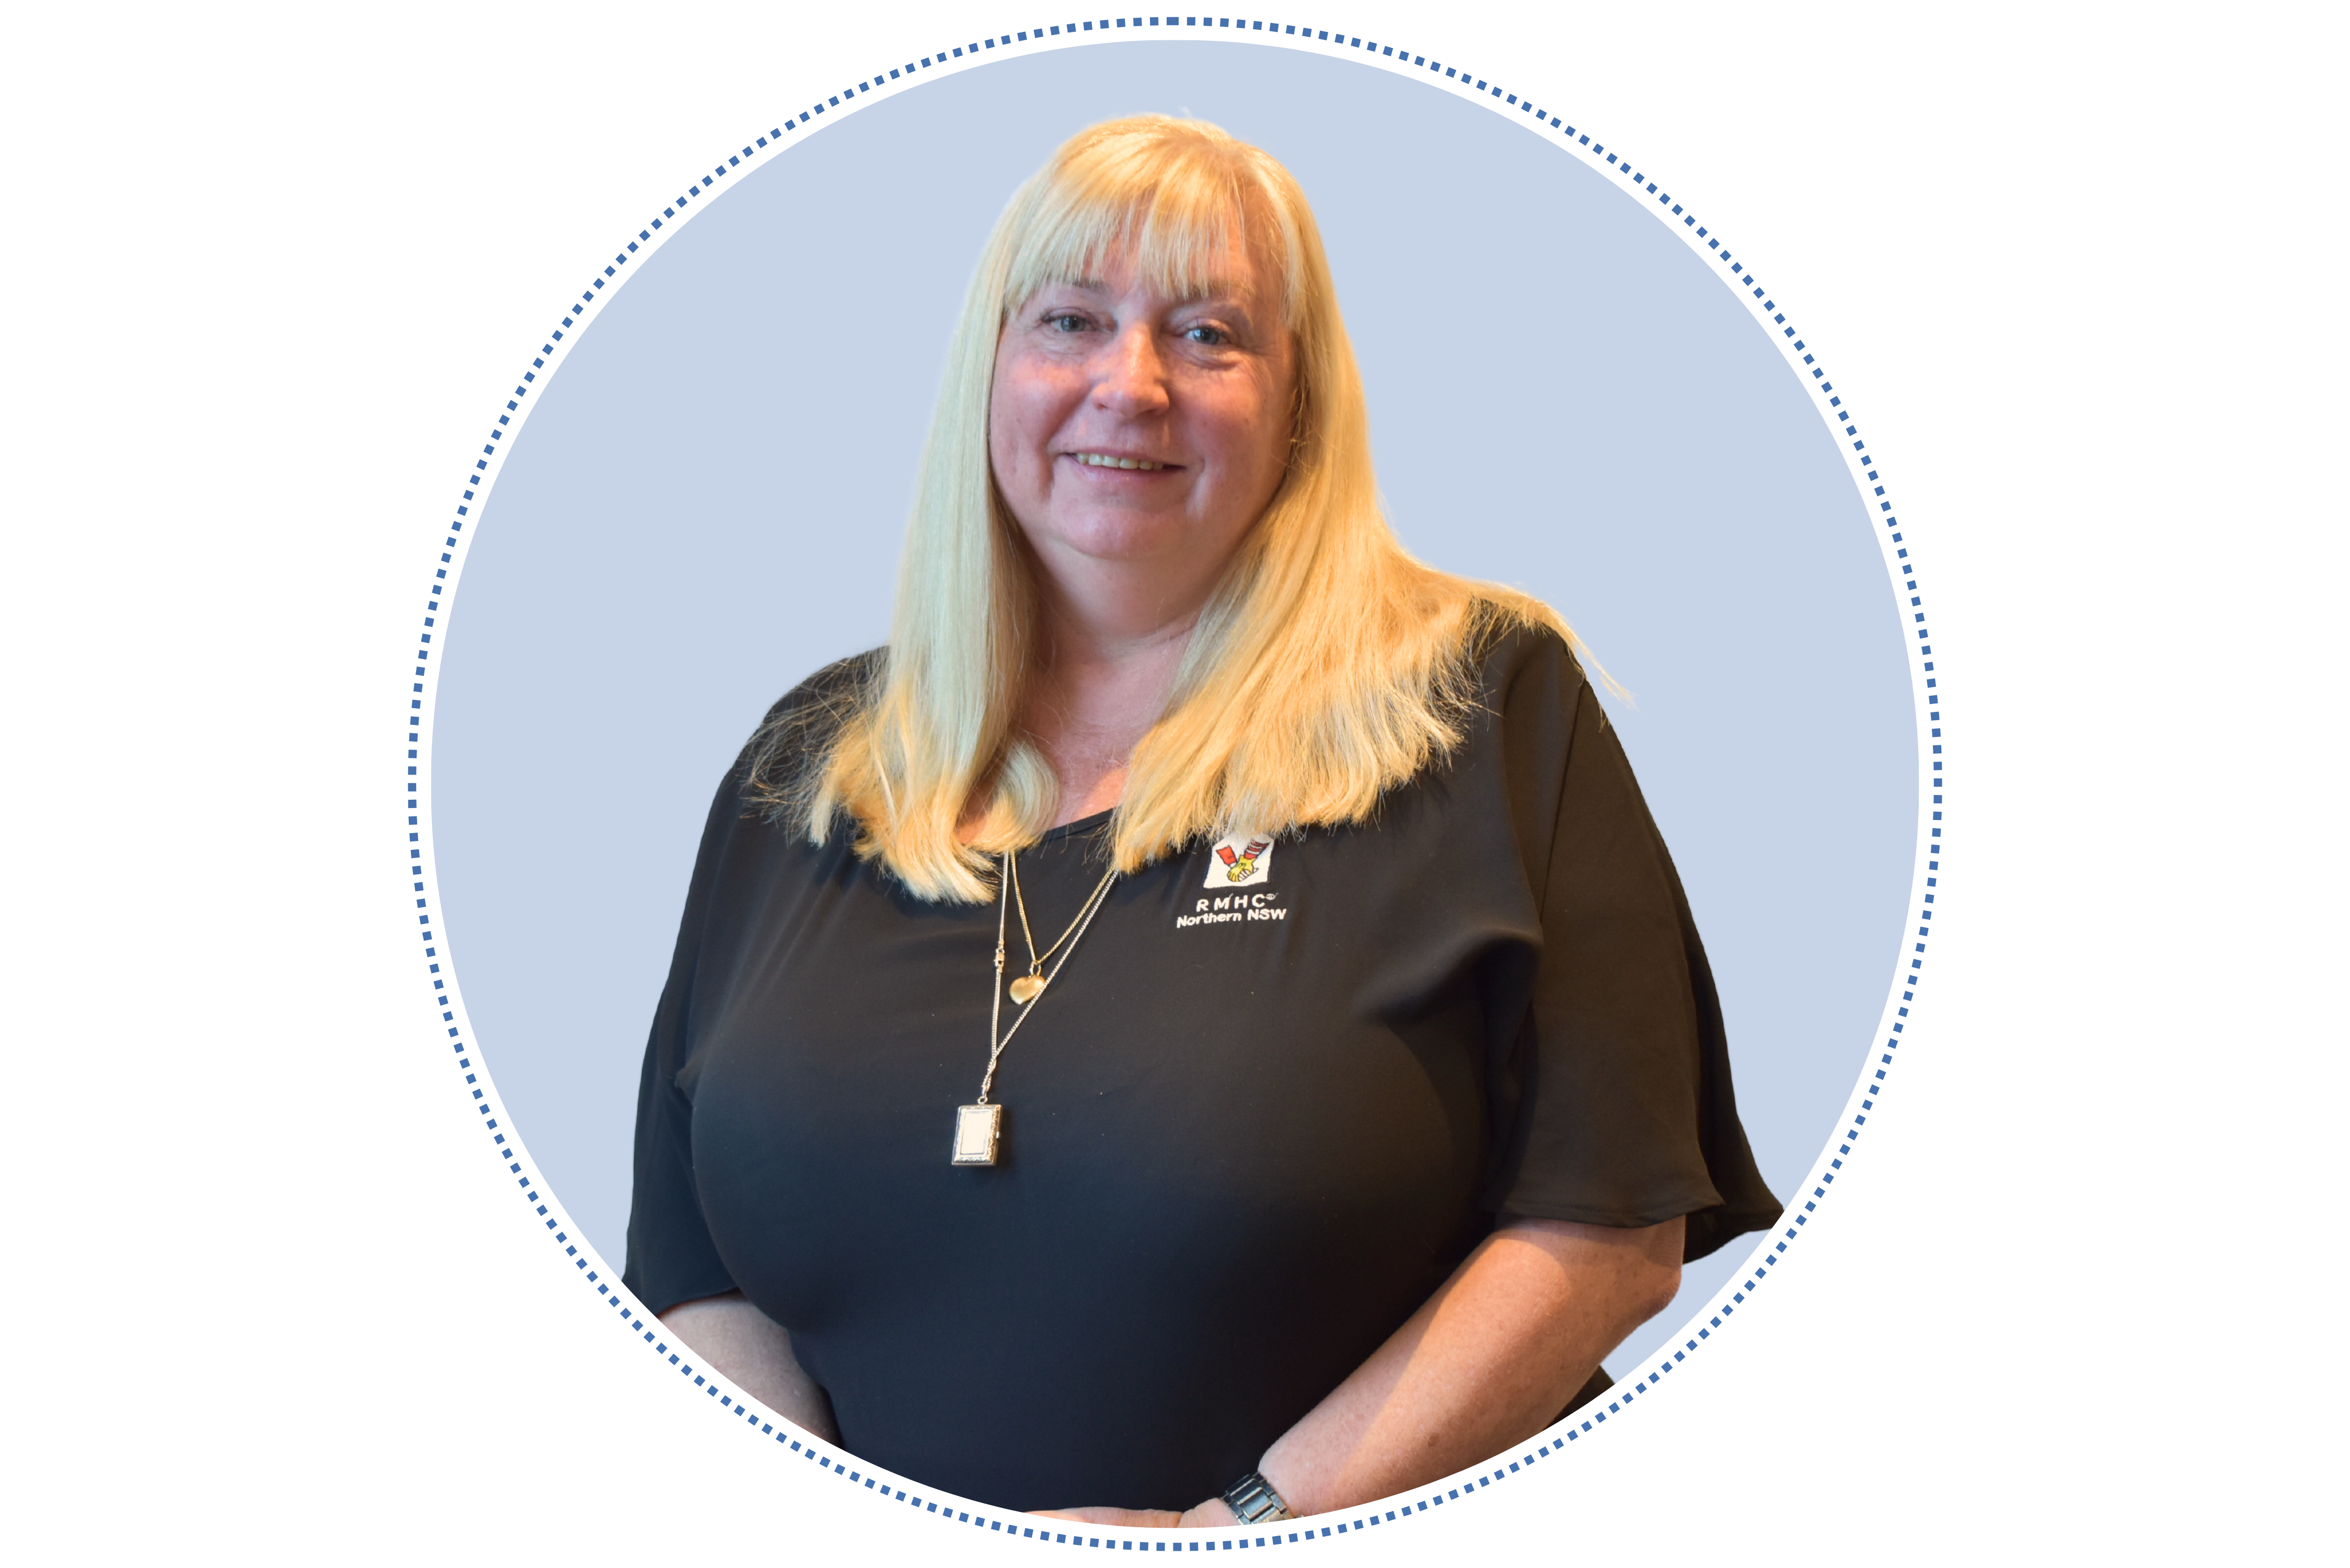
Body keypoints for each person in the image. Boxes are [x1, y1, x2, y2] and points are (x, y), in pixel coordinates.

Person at [623, 110, 1780, 1527]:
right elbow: (691, 1270)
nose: (1133, 383)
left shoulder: (1486, 706)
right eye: (1070, 320)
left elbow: (1610, 1234)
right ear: (988, 371)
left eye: (1210, 334)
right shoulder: (808, 765)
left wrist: (1240, 1524)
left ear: (1300, 400)